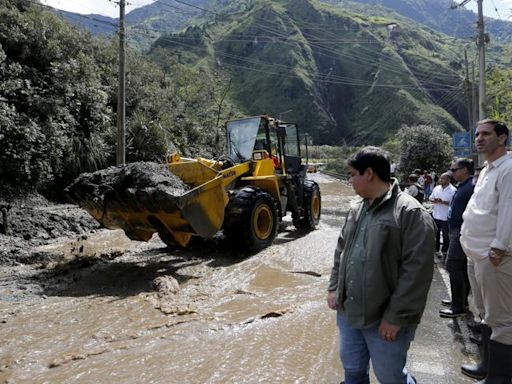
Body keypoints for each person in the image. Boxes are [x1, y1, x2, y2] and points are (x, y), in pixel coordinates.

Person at [327, 146, 435, 384]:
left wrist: (396, 317)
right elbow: (341, 251)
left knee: (391, 378)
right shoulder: (357, 208)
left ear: (369, 174)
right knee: (353, 372)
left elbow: (417, 273)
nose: (350, 179)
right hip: (349, 313)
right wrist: (334, 287)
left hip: (383, 318)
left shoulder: (409, 213)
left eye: (352, 174)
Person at [460, 119, 512, 383]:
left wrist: (499, 246)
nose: (479, 138)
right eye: (477, 134)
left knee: (502, 320)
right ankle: (486, 366)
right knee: (484, 313)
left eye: (486, 134)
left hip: (496, 257)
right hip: (476, 254)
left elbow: (509, 210)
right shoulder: (488, 169)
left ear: (502, 138)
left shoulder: (509, 168)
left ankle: (499, 378)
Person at [439, 158, 474, 318]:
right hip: (456, 230)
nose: (452, 173)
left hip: (461, 232)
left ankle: (457, 306)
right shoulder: (463, 186)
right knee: (460, 267)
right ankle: (460, 300)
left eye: (454, 170)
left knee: (453, 266)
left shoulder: (471, 186)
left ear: (465, 170)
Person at [429, 172, 456, 259]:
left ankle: (444, 252)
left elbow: (453, 204)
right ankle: (436, 250)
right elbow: (430, 197)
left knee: (446, 236)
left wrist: (443, 201)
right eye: (441, 178)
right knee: (435, 234)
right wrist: (434, 200)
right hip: (436, 215)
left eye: (443, 179)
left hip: (445, 217)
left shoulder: (453, 190)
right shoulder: (437, 188)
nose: (441, 180)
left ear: (448, 179)